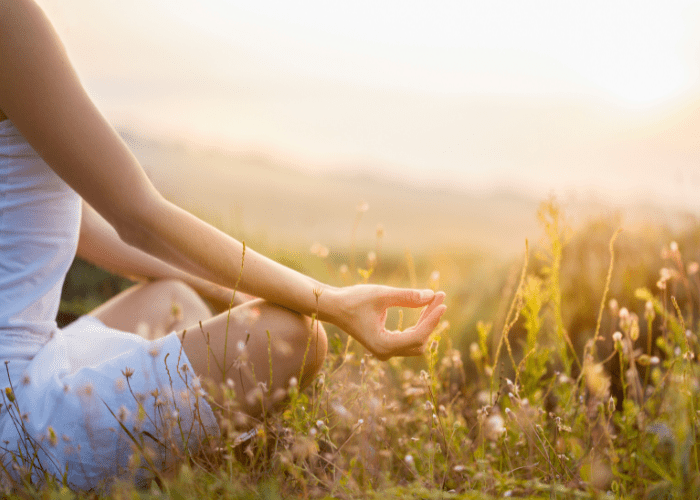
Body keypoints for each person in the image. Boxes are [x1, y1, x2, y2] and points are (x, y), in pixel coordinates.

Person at [0, 0, 447, 491]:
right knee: (289, 339)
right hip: (16, 420)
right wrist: (332, 304)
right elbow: (138, 217)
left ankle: (156, 472)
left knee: (172, 300)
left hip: (30, 368)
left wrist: (237, 294)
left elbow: (85, 229)